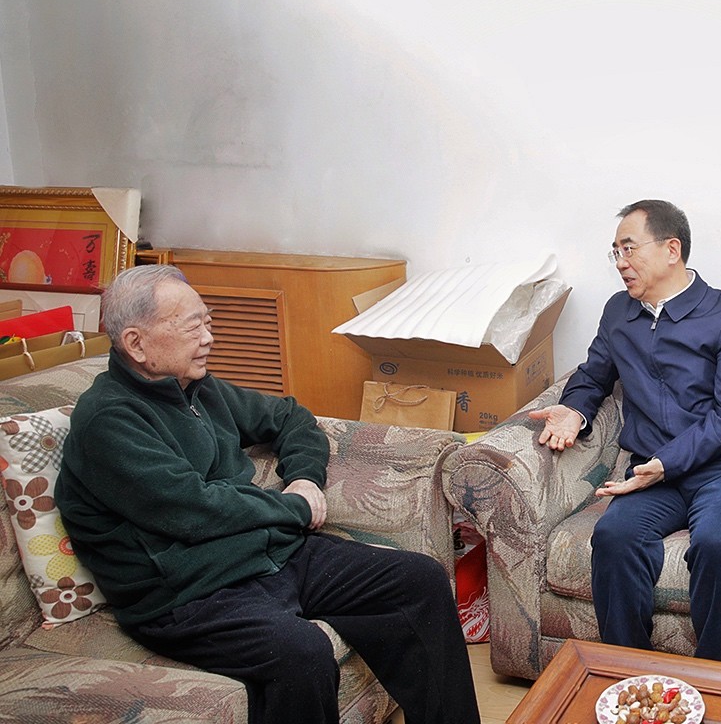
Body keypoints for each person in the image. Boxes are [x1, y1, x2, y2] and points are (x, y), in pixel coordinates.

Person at [55, 264, 480, 724]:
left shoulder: (194, 388)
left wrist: (305, 479)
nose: (208, 338)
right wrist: (294, 507)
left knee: (418, 579)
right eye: (192, 326)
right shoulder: (108, 420)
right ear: (136, 343)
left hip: (267, 555)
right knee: (302, 654)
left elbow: (292, 418)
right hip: (188, 595)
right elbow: (193, 508)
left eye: (207, 321)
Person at [531, 200, 721, 663]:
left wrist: (667, 463)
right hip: (651, 474)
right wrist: (575, 412)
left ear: (671, 250)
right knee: (614, 537)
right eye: (615, 252)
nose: (620, 262)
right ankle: (631, 676)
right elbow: (593, 375)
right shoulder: (618, 313)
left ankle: (717, 681)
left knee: (719, 544)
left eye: (629, 248)